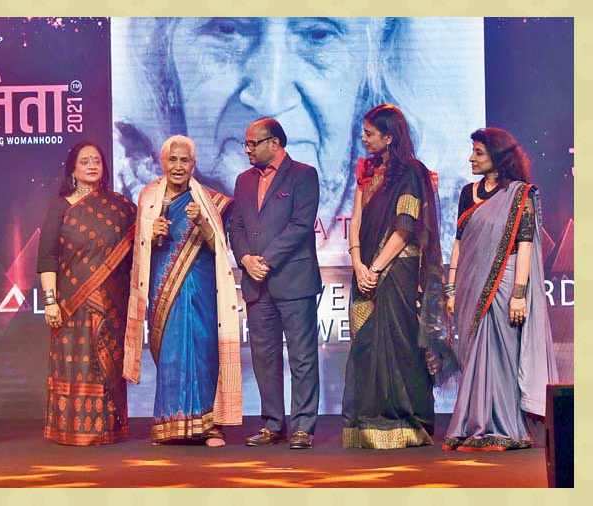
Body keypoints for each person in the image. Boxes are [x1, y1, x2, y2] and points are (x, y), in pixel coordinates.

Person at [112, 17, 484, 264]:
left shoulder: (435, 203)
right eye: (226, 30)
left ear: (374, 63)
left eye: (317, 35)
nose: (270, 96)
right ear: (163, 58)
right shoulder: (135, 204)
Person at [443, 127, 559, 452]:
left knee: (501, 355)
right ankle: (472, 426)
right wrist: (451, 288)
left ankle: (505, 429)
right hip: (469, 283)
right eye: (473, 152)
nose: (471, 158)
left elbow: (524, 245)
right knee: (474, 356)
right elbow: (458, 242)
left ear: (498, 157)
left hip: (504, 283)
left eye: (479, 153)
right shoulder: (469, 193)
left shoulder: (521, 194)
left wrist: (519, 293)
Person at [124, 135, 242, 447]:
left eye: (184, 160)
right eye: (173, 160)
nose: (178, 166)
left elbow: (219, 247)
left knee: (203, 351)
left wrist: (202, 221)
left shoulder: (209, 199)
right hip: (164, 287)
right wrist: (152, 235)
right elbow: (140, 249)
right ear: (162, 163)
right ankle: (169, 424)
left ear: (194, 164)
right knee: (172, 353)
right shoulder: (149, 197)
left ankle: (209, 426)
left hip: (201, 287)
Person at [341, 104, 446, 449]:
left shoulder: (411, 173)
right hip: (365, 268)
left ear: (389, 137)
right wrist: (357, 262)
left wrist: (375, 268)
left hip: (396, 270)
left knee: (399, 342)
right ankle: (370, 421)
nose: (364, 138)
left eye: (370, 133)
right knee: (367, 345)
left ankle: (407, 421)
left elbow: (405, 227)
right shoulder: (367, 171)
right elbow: (355, 220)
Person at [229, 117, 321, 449]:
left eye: (253, 143)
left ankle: (303, 426)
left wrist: (264, 260)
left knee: (302, 355)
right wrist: (245, 259)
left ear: (275, 143)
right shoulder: (243, 181)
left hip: (292, 279)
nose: (248, 149)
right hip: (255, 282)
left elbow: (300, 225)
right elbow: (235, 227)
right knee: (264, 356)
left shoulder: (304, 175)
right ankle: (271, 423)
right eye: (247, 143)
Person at [36, 141, 136, 446]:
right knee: (77, 363)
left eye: (97, 160)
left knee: (107, 361)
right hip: (72, 302)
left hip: (112, 302)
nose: (92, 165)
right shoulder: (61, 206)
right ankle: (71, 429)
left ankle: (109, 428)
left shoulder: (120, 207)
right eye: (85, 161)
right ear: (73, 169)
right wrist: (50, 301)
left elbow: (139, 249)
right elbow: (47, 256)